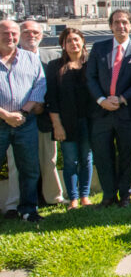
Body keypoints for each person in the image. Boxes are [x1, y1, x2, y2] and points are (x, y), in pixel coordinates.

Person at [86, 10, 131, 208]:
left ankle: (125, 194)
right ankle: (109, 195)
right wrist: (101, 100)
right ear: (111, 26)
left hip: (127, 112)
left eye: (124, 22)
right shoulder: (99, 48)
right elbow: (91, 77)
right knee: (103, 155)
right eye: (116, 22)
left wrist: (121, 99)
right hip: (101, 113)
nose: (121, 26)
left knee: (126, 155)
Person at [0, 20, 47, 222]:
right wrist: (6, 115)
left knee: (29, 168)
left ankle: (28, 210)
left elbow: (40, 86)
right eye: (5, 33)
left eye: (13, 33)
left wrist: (23, 112)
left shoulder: (30, 58)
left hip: (25, 122)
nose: (10, 37)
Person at [45, 28, 93, 210]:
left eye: (76, 39)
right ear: (63, 45)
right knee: (70, 161)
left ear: (83, 42)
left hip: (89, 121)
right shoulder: (54, 66)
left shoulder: (91, 64)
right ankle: (73, 198)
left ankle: (85, 196)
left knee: (86, 159)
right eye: (69, 41)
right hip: (66, 122)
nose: (74, 43)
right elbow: (51, 98)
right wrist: (57, 125)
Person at [20, 21, 63, 206]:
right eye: (26, 32)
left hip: (46, 117)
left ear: (42, 36)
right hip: (17, 119)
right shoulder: (8, 57)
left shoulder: (53, 57)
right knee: (18, 163)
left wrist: (43, 106)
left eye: (35, 32)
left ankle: (52, 198)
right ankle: (16, 202)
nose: (31, 35)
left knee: (49, 160)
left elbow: (58, 88)